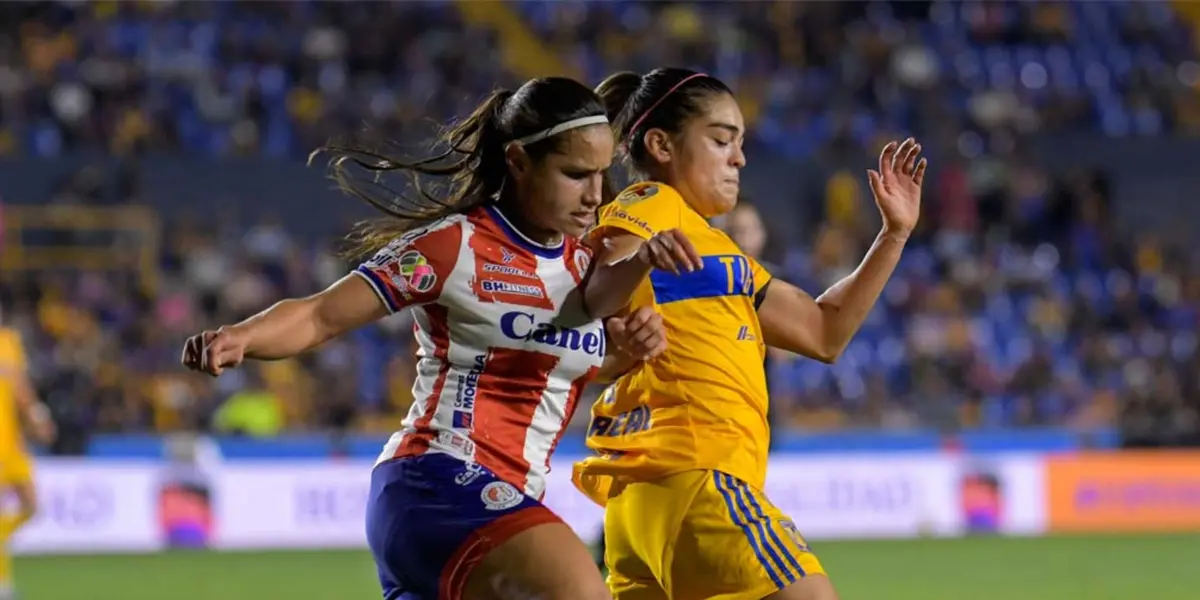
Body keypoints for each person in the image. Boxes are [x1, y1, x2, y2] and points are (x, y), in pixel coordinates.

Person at [182, 76, 698, 600]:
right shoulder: (455, 246)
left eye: (601, 174)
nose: (594, 195)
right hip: (438, 480)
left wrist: (623, 355)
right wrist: (241, 337)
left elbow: (547, 374)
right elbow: (321, 315)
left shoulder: (586, 267)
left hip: (504, 498)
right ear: (518, 161)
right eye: (574, 174)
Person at [574, 68, 927, 600]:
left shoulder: (720, 254)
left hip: (643, 508)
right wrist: (638, 263)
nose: (738, 158)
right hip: (696, 476)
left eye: (740, 143)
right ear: (661, 144)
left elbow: (824, 331)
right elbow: (601, 286)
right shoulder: (653, 202)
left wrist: (892, 236)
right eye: (720, 140)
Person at [0, 308, 56, 600]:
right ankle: (3, 585)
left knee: (32, 507)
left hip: (13, 446)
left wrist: (38, 417)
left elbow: (21, 388)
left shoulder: (8, 341)